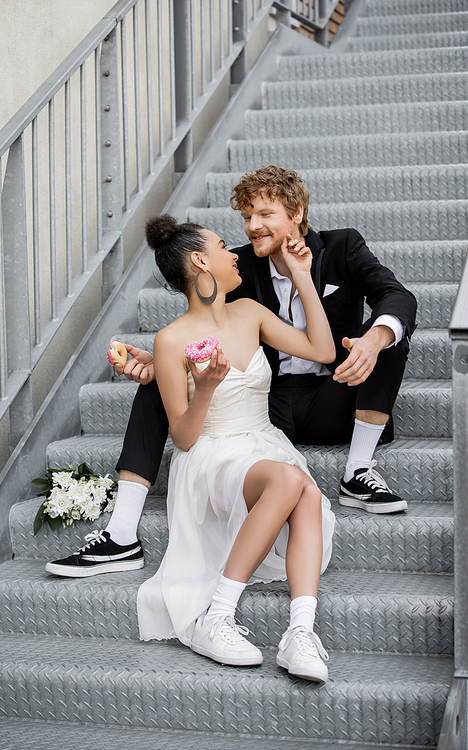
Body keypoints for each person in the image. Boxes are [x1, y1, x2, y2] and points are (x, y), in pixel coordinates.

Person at [45, 165, 416, 581]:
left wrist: (372, 338)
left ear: (297, 211)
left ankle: (357, 471)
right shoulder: (238, 265)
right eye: (246, 217)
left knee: (386, 333)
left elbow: (396, 295)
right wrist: (163, 363)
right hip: (268, 404)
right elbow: (208, 327)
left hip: (335, 394)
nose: (252, 227)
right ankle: (121, 533)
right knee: (156, 389)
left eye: (264, 215)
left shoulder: (342, 246)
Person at [136, 214, 335, 681]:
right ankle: (217, 616)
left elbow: (323, 352)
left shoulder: (250, 312)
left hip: (262, 445)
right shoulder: (171, 340)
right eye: (224, 246)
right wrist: (203, 388)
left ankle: (300, 634)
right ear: (201, 261)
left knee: (302, 488)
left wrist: (302, 277)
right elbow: (182, 438)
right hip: (210, 459)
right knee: (292, 480)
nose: (234, 254)